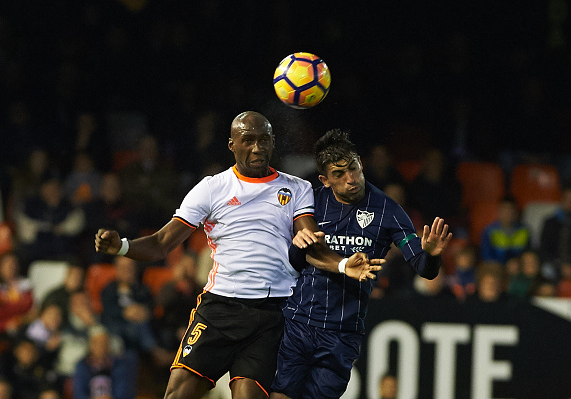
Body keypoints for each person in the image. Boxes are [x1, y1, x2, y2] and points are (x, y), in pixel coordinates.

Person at [94, 111, 382, 399]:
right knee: (177, 394)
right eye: (248, 140)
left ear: (272, 143)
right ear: (232, 144)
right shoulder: (212, 188)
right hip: (220, 308)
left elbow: (312, 247)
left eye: (264, 140)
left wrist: (343, 264)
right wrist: (122, 246)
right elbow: (161, 242)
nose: (257, 148)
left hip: (272, 315)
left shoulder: (297, 188)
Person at [270, 129, 452, 399]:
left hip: (343, 333)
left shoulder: (388, 210)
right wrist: (297, 246)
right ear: (325, 179)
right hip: (298, 322)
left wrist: (433, 254)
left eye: (353, 168)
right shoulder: (311, 203)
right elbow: (294, 263)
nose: (351, 179)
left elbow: (424, 269)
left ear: (361, 163)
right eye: (339, 174)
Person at [72, 325, 138, 399]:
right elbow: (79, 394)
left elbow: (124, 392)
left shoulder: (120, 364)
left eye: (104, 342)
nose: (101, 346)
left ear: (109, 344)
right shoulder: (82, 365)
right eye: (96, 342)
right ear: (90, 344)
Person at [480, 195, 531, 265]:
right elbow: (487, 256)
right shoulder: (489, 231)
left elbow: (528, 254)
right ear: (499, 211)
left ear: (515, 212)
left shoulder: (524, 231)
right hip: (497, 268)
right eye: (504, 210)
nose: (507, 214)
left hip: (519, 268)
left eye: (510, 210)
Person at [540, 184, 571, 282]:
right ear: (562, 200)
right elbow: (544, 249)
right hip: (555, 264)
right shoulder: (550, 222)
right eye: (567, 199)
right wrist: (561, 265)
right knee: (546, 270)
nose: (570, 203)